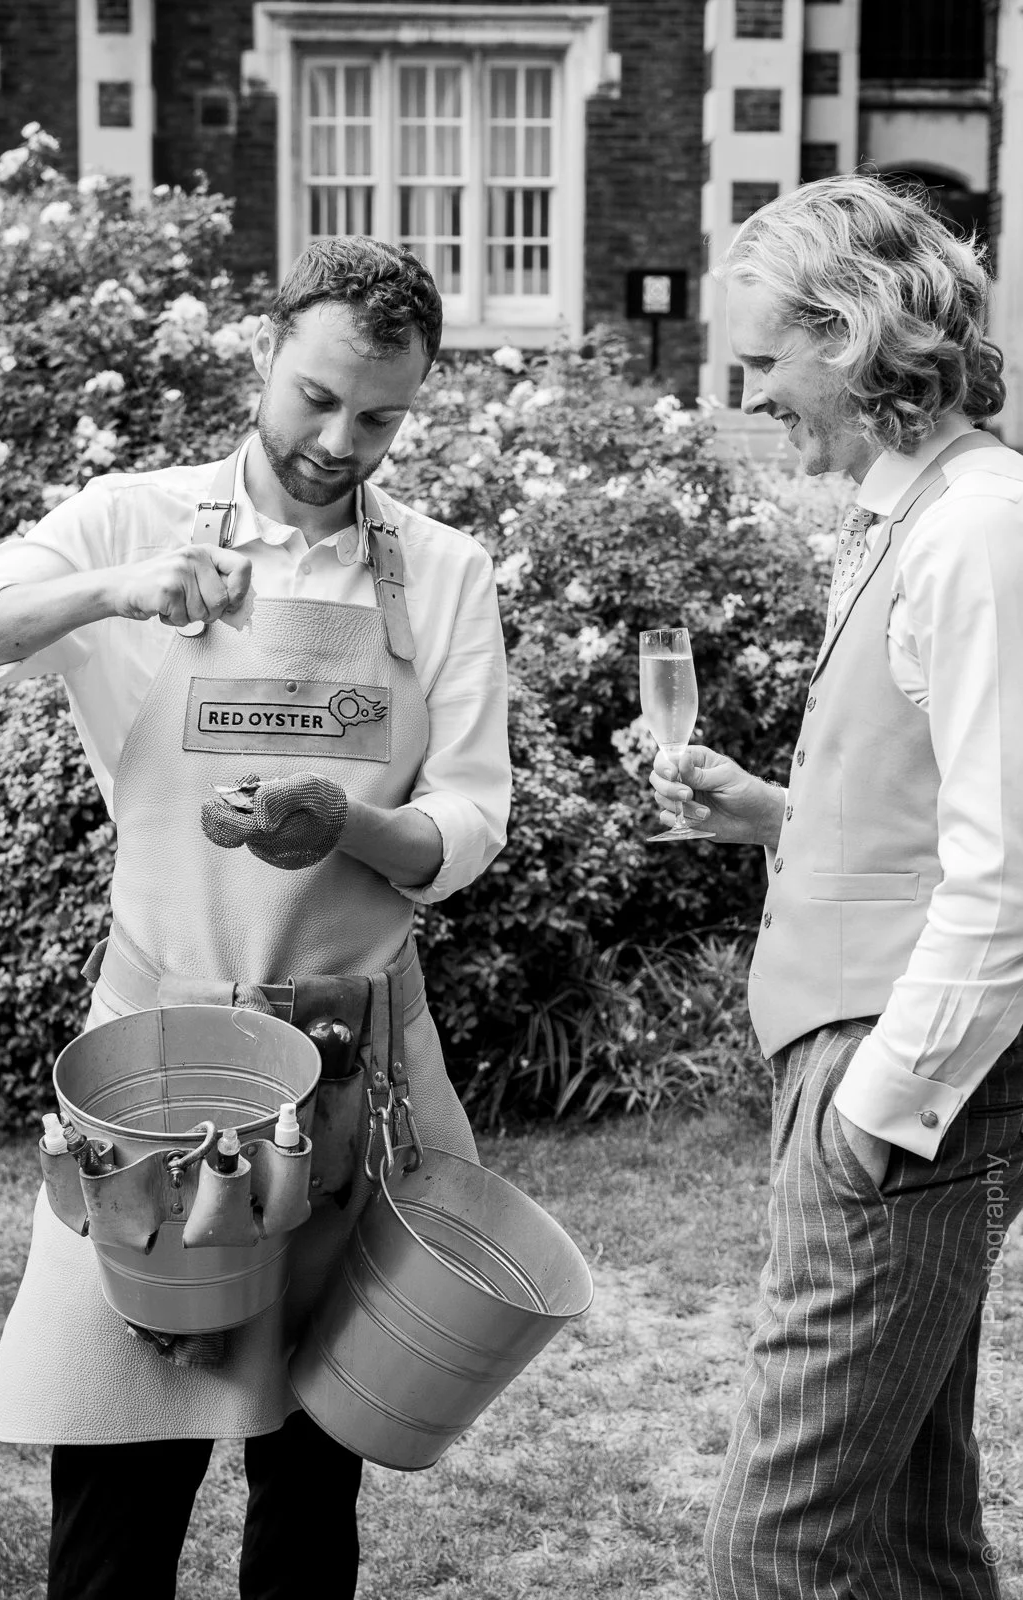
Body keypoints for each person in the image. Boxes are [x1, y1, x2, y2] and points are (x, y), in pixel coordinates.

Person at [0, 235, 510, 1599]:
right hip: (157, 1074)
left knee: (314, 1484)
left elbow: (471, 822)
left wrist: (354, 826)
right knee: (120, 1483)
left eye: (379, 417)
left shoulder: (442, 574)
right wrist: (123, 590)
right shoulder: (132, 518)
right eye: (316, 397)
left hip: (354, 1085)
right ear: (263, 355)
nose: (339, 440)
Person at [651, 176, 1023, 1599]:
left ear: (858, 334)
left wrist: (881, 1112)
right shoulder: (913, 519)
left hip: (895, 1087)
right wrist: (766, 814)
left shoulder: (976, 533)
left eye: (765, 362)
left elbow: (1006, 874)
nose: (755, 396)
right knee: (913, 1535)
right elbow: (917, 829)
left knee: (778, 1548)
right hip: (857, 1062)